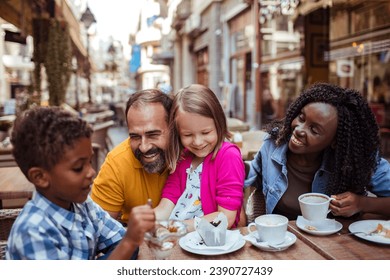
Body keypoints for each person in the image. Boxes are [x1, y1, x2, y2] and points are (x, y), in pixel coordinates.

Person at [6, 107, 155, 260]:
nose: (91, 172)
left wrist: (125, 246)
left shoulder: (82, 205)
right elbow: (125, 245)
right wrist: (129, 242)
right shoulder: (33, 233)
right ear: (40, 177)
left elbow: (119, 241)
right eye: (78, 168)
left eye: (89, 162)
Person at [245, 83, 390, 220]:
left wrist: (361, 204)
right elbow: (252, 172)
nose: (299, 130)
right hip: (282, 239)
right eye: (301, 118)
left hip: (334, 243)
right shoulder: (274, 143)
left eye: (314, 130)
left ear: (335, 141)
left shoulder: (355, 158)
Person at [154, 84, 245, 231]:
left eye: (206, 132)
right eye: (188, 135)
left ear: (219, 124)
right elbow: (167, 202)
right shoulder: (183, 156)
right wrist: (150, 221)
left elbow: (226, 218)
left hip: (211, 241)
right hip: (179, 236)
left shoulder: (228, 156)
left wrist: (177, 227)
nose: (197, 142)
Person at [91, 89, 173, 222]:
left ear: (173, 129)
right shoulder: (117, 164)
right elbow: (98, 230)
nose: (144, 147)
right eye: (135, 137)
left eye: (153, 134)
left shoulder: (193, 153)